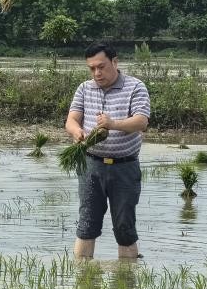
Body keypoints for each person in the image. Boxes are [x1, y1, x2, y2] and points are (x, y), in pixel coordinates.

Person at [65, 43, 151, 261]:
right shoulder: (84, 88)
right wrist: (77, 133)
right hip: (91, 165)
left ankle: (127, 285)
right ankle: (83, 284)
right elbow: (72, 119)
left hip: (125, 167)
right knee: (87, 223)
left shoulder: (135, 87)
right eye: (92, 68)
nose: (97, 73)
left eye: (101, 67)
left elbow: (141, 122)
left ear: (115, 62)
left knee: (124, 227)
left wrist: (113, 124)